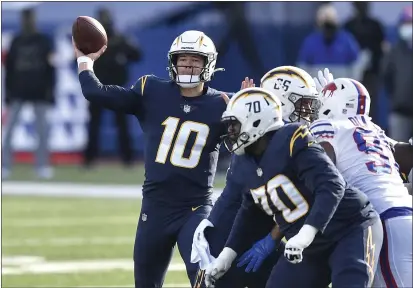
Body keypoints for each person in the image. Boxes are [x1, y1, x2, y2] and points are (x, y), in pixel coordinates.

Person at [73, 29, 255, 288]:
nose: (188, 65)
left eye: (195, 60)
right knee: (145, 283)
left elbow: (251, 149)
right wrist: (85, 61)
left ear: (209, 64)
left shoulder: (223, 104)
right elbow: (97, 92)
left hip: (195, 209)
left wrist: (247, 113)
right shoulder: (152, 90)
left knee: (206, 281)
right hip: (155, 208)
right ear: (173, 61)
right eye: (183, 59)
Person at [204, 86, 383, 288]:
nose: (230, 132)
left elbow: (331, 185)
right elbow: (250, 211)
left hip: (349, 228)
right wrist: (226, 256)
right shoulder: (244, 161)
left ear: (255, 120)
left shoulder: (290, 138)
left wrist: (305, 235)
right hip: (307, 246)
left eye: (234, 125)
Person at [310, 74, 412, 288]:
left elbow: (321, 174)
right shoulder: (375, 131)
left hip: (383, 219)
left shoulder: (328, 128)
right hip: (403, 212)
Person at [83, 7, 142, 168]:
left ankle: (126, 158)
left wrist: (123, 49)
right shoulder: (93, 41)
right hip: (100, 87)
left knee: (119, 125)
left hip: (114, 88)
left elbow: (136, 55)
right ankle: (90, 159)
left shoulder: (117, 38)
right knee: (96, 124)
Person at [3, 8, 56, 179]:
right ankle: (5, 165)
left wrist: (50, 91)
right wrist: (8, 92)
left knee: (42, 130)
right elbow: (9, 69)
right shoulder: (16, 41)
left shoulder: (44, 41)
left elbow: (50, 68)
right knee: (10, 129)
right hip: (18, 89)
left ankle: (41, 165)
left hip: (39, 90)